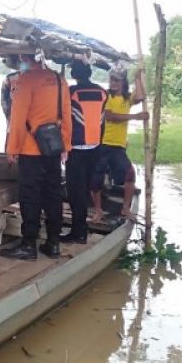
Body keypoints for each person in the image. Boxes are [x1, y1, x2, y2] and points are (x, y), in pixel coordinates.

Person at [0, 53, 72, 260]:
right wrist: (66, 146)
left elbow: (18, 117)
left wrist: (12, 149)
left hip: (30, 149)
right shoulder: (59, 79)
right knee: (53, 195)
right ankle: (53, 243)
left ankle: (29, 244)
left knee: (30, 197)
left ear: (23, 56)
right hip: (53, 148)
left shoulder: (26, 80)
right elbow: (66, 115)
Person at [91, 67, 148, 222]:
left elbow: (141, 96)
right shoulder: (107, 96)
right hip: (103, 144)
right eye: (112, 79)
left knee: (130, 175)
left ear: (123, 82)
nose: (113, 83)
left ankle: (125, 208)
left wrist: (137, 78)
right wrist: (135, 116)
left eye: (117, 80)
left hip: (118, 146)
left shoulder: (126, 98)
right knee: (96, 179)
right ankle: (98, 211)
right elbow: (110, 116)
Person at [60, 60, 107, 244]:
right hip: (95, 148)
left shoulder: (71, 93)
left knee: (75, 192)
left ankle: (78, 232)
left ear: (74, 75)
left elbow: (63, 118)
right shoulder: (102, 92)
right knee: (86, 189)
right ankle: (81, 230)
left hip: (76, 149)